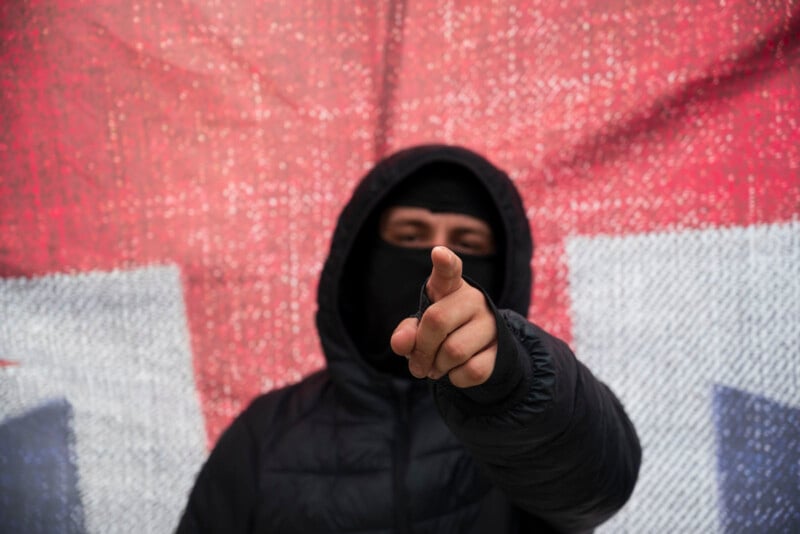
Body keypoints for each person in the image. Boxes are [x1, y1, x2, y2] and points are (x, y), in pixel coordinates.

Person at [176, 144, 641, 533]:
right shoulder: (266, 432)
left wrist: (514, 386)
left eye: (469, 242)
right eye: (410, 233)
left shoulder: (527, 413)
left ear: (502, 275)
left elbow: (600, 485)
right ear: (360, 260)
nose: (437, 257)